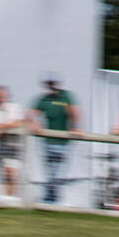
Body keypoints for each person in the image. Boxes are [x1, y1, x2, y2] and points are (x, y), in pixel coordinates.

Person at [31, 75, 80, 204]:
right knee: (50, 172)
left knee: (57, 173)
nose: (51, 86)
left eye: (53, 83)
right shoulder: (43, 99)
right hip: (48, 142)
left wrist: (74, 126)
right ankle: (51, 200)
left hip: (63, 142)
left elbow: (74, 113)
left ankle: (52, 200)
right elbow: (30, 114)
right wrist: (34, 123)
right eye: (49, 83)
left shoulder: (65, 97)